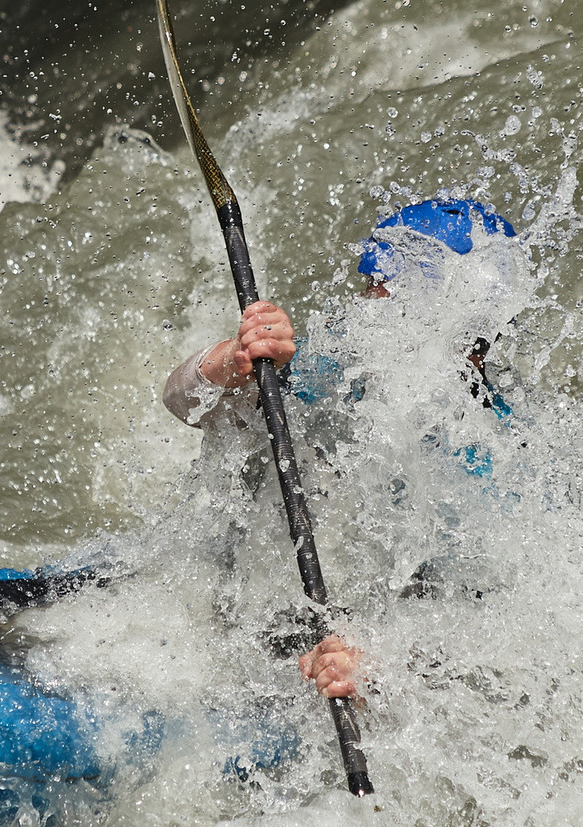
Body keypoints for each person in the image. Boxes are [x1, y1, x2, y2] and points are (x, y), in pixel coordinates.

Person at [160, 199, 522, 704]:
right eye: (371, 291)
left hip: (420, 669)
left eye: (388, 298)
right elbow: (183, 403)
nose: (367, 311)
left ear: (467, 339)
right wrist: (233, 362)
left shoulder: (494, 462)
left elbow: (504, 634)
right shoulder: (342, 372)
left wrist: (378, 665)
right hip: (274, 620)